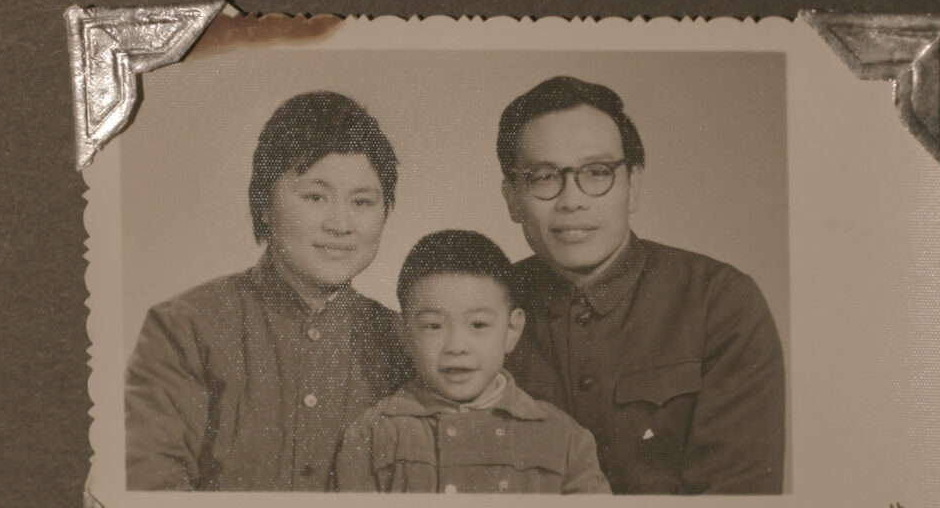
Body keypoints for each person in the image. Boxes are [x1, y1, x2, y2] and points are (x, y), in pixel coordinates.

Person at [498, 76, 786, 494]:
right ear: (511, 198)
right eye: (543, 177)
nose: (571, 200)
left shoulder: (721, 302)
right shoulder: (480, 307)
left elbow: (739, 494)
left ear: (633, 185)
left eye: (597, 173)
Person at [125, 92, 412, 491]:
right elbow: (149, 484)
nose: (341, 224)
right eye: (315, 196)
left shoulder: (406, 341)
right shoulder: (184, 328)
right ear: (263, 202)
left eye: (362, 202)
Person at [336, 230, 611, 494]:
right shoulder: (372, 436)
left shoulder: (564, 439)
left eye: (478, 324)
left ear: (512, 330)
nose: (456, 347)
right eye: (433, 326)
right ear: (404, 334)